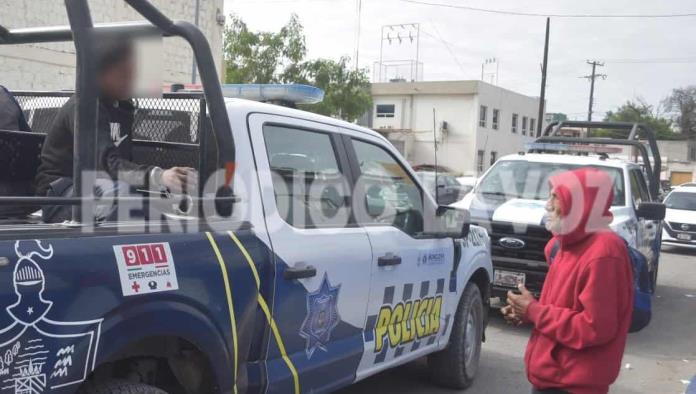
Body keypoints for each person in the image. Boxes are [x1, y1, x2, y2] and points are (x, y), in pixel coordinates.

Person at [34, 37, 196, 223]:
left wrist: (167, 183)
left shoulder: (123, 108)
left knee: (151, 204)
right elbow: (105, 164)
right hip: (60, 193)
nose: (130, 80)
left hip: (100, 187)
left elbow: (121, 166)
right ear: (100, 72)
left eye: (134, 74)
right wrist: (158, 176)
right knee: (128, 201)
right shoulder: (84, 107)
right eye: (123, 74)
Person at [502, 167, 634, 394]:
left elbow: (595, 328)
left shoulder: (604, 252)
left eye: (556, 197)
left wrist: (535, 312)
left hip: (573, 385)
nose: (547, 205)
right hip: (552, 377)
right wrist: (526, 313)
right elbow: (563, 308)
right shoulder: (563, 244)